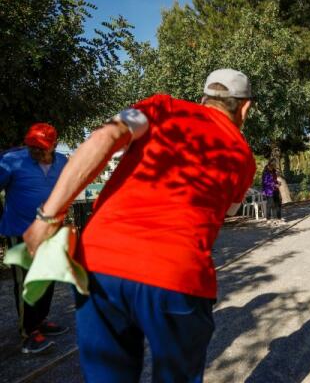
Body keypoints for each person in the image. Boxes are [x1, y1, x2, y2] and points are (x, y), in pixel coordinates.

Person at [24, 69, 256, 382]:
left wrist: (48, 216)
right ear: (245, 108)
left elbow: (104, 137)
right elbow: (229, 211)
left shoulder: (160, 106)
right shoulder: (243, 155)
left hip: (99, 263)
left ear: (203, 97)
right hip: (178, 274)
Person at [0, 123, 69, 354]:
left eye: (41, 148)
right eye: (32, 146)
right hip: (21, 231)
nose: (36, 151)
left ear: (54, 145)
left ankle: (40, 321)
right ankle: (27, 334)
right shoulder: (11, 161)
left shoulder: (63, 162)